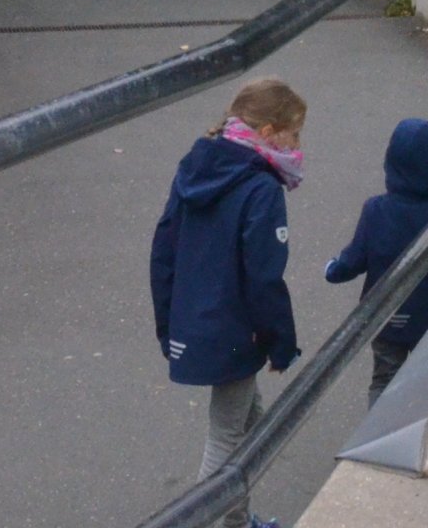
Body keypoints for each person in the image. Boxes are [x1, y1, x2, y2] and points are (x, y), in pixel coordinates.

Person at [151, 76, 304, 528]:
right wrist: (280, 342)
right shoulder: (261, 189)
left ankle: (236, 522)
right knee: (225, 440)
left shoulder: (194, 168)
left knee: (251, 428)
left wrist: (168, 326)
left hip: (196, 323)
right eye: (295, 135)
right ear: (269, 133)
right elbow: (263, 276)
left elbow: (164, 252)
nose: (298, 146)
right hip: (235, 330)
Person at [323, 117, 428, 402]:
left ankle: (376, 438)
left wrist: (333, 269)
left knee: (383, 378)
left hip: (383, 316)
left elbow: (354, 259)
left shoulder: (375, 210)